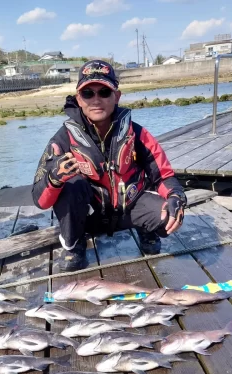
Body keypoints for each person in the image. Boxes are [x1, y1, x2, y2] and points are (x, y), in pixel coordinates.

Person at [32, 60, 186, 272]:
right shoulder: (62, 139)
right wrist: (54, 179)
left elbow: (164, 176)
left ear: (117, 96)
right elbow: (39, 199)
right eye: (88, 94)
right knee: (70, 185)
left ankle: (146, 229)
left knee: (168, 213)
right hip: (90, 216)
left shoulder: (138, 133)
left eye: (104, 92)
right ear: (79, 99)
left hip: (130, 209)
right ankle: (74, 244)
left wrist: (176, 198)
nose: (96, 100)